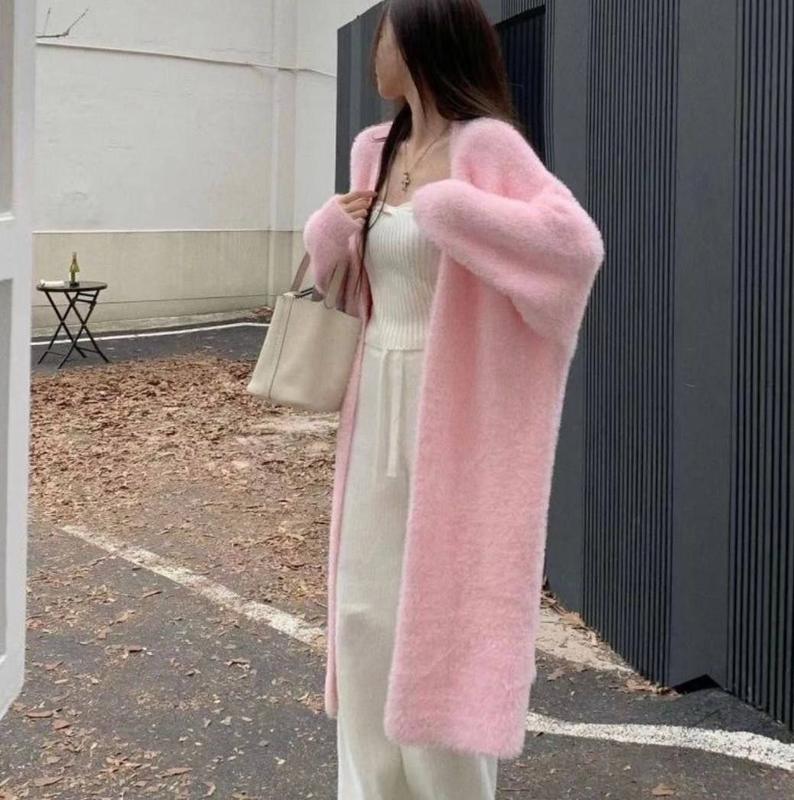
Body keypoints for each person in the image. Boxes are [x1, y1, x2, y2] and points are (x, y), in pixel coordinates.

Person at [303, 1, 605, 797]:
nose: (375, 51)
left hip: (455, 407)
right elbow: (349, 279)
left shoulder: (486, 146)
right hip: (375, 392)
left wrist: (450, 208)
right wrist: (330, 230)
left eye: (384, 35)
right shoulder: (376, 149)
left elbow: (574, 248)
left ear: (423, 42)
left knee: (444, 617)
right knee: (364, 615)